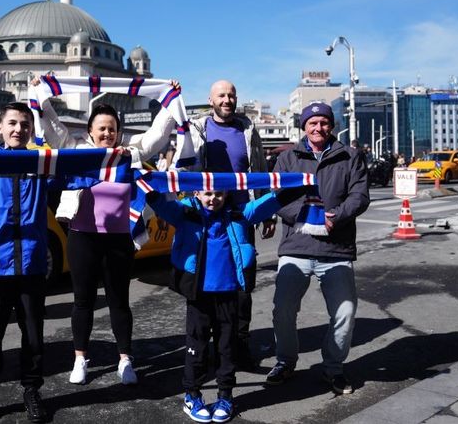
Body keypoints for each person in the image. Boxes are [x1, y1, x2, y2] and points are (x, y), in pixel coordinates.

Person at [36, 75, 177, 386]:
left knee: (119, 301)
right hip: (83, 239)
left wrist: (170, 101)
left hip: (118, 241)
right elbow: (53, 129)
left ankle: (125, 359)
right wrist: (41, 96)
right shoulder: (77, 153)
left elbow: (157, 135)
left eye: (112, 129)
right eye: (101, 128)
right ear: (90, 132)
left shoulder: (129, 154)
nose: (107, 133)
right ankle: (80, 359)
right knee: (83, 301)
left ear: (119, 132)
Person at [0, 102, 68, 424]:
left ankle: (32, 390)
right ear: (0, 126)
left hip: (32, 264)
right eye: (12, 123)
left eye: (25, 124)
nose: (18, 130)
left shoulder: (42, 164)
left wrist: (115, 156)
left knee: (33, 335)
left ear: (31, 130)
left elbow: (77, 167)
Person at [148, 187, 286, 424]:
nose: (213, 199)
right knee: (196, 347)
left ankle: (225, 396)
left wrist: (298, 186)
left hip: (228, 294)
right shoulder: (185, 212)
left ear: (227, 195)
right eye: (208, 194)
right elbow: (160, 203)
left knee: (227, 348)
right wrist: (146, 185)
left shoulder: (239, 213)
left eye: (219, 194)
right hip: (198, 296)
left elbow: (269, 202)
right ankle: (192, 396)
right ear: (197, 194)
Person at [267, 102, 370, 395]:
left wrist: (335, 216)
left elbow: (360, 195)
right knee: (283, 310)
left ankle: (334, 367)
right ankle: (285, 362)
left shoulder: (349, 156)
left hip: (335, 249)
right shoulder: (287, 158)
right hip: (296, 248)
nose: (318, 128)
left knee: (345, 311)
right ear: (304, 126)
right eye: (312, 123)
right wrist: (308, 214)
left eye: (324, 122)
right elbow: (278, 196)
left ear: (332, 125)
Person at [188, 80, 273, 370]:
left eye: (231, 95)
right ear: (210, 100)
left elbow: (260, 170)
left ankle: (239, 345)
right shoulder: (198, 129)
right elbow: (187, 168)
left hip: (242, 214)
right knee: (208, 285)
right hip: (208, 217)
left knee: (242, 284)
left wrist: (267, 213)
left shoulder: (248, 129)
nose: (227, 99)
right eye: (221, 95)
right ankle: (211, 348)